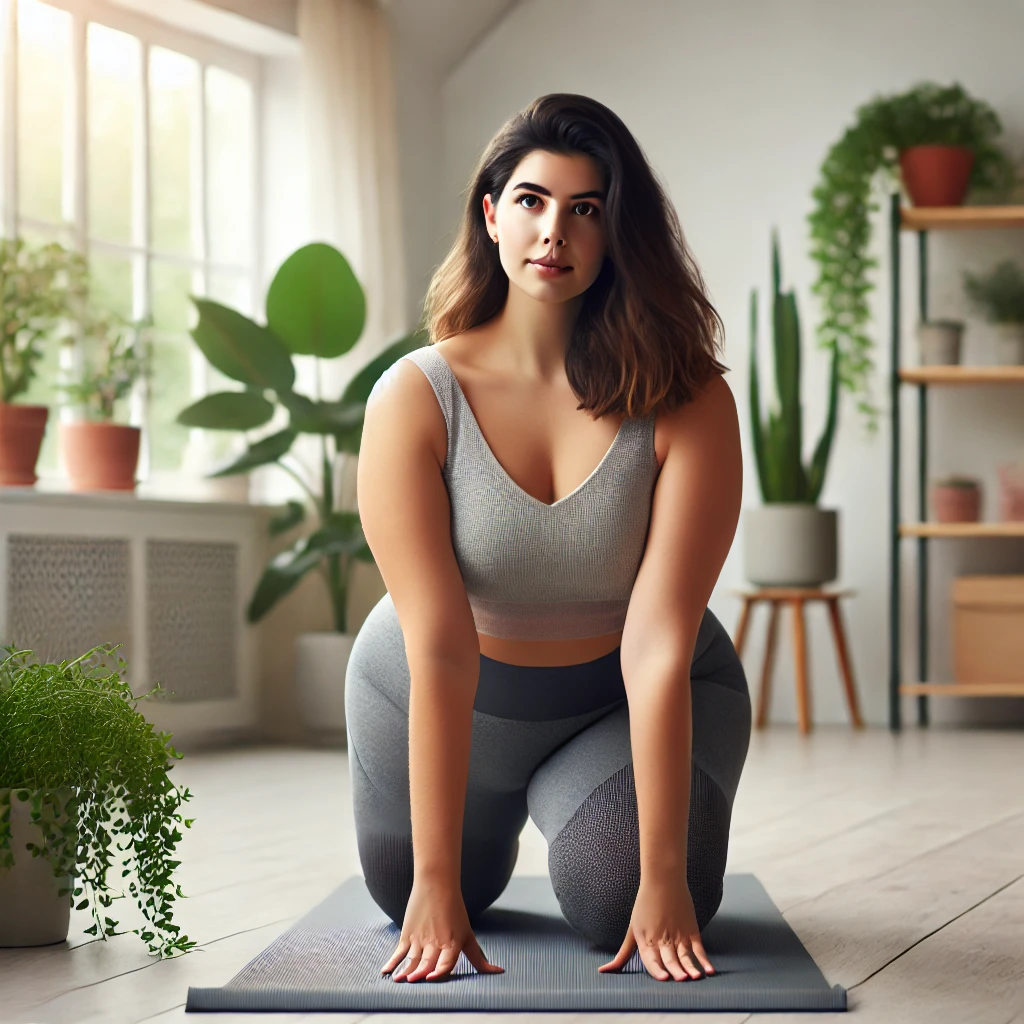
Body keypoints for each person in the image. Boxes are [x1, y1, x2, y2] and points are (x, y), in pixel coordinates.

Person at [348, 92, 750, 986]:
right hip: (428, 684)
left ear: (615, 233)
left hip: (620, 698)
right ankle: (455, 855)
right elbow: (442, 648)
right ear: (490, 216)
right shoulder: (413, 397)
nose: (553, 232)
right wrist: (437, 878)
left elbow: (656, 643)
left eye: (586, 209)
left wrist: (663, 877)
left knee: (625, 903)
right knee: (409, 900)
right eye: (530, 201)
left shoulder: (691, 401)